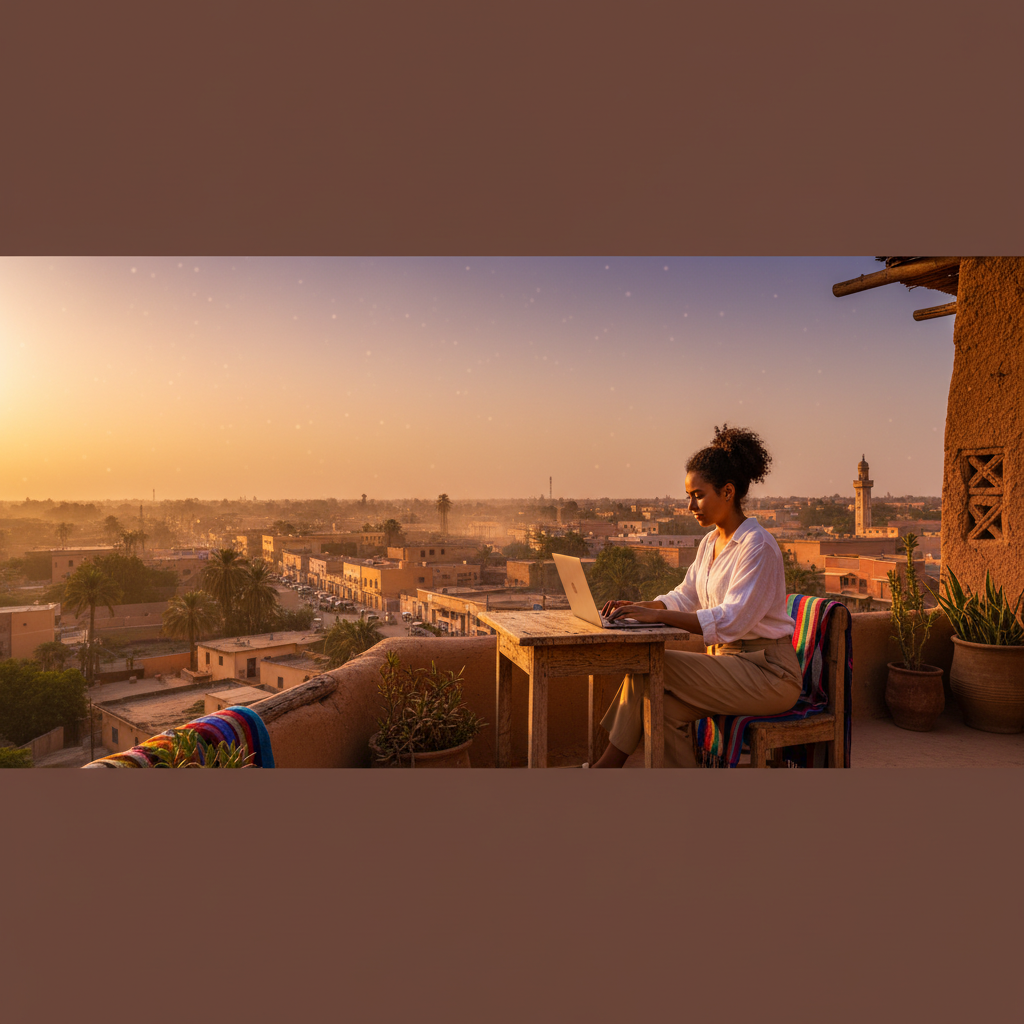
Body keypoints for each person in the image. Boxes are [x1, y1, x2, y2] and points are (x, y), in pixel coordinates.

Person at [591, 424, 802, 768]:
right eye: (688, 496)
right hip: (729, 667)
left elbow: (731, 620)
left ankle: (605, 769)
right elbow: (685, 595)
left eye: (698, 495)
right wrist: (640, 607)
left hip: (768, 674)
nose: (690, 505)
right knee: (660, 708)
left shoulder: (757, 546)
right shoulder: (710, 543)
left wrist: (657, 616)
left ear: (728, 492)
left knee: (649, 665)